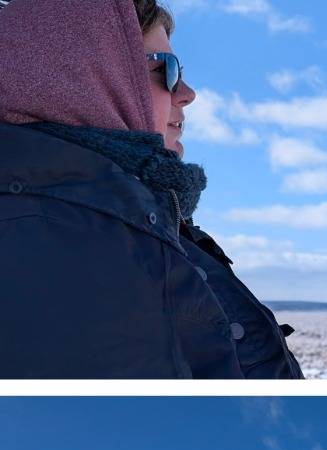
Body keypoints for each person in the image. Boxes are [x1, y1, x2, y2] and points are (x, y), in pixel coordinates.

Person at [0, 0, 302, 378]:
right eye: (163, 69)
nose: (187, 92)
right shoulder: (44, 241)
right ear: (78, 79)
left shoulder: (148, 223)